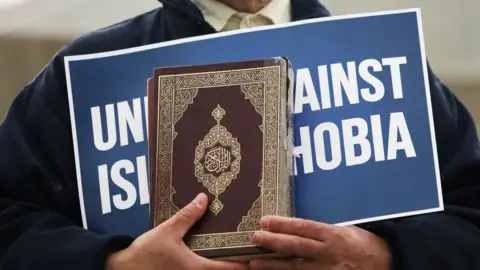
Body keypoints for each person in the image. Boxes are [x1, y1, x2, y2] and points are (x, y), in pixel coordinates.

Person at [0, 0, 479, 269]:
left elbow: (471, 215)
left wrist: (384, 255)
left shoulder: (380, 63)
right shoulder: (88, 75)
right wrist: (116, 265)